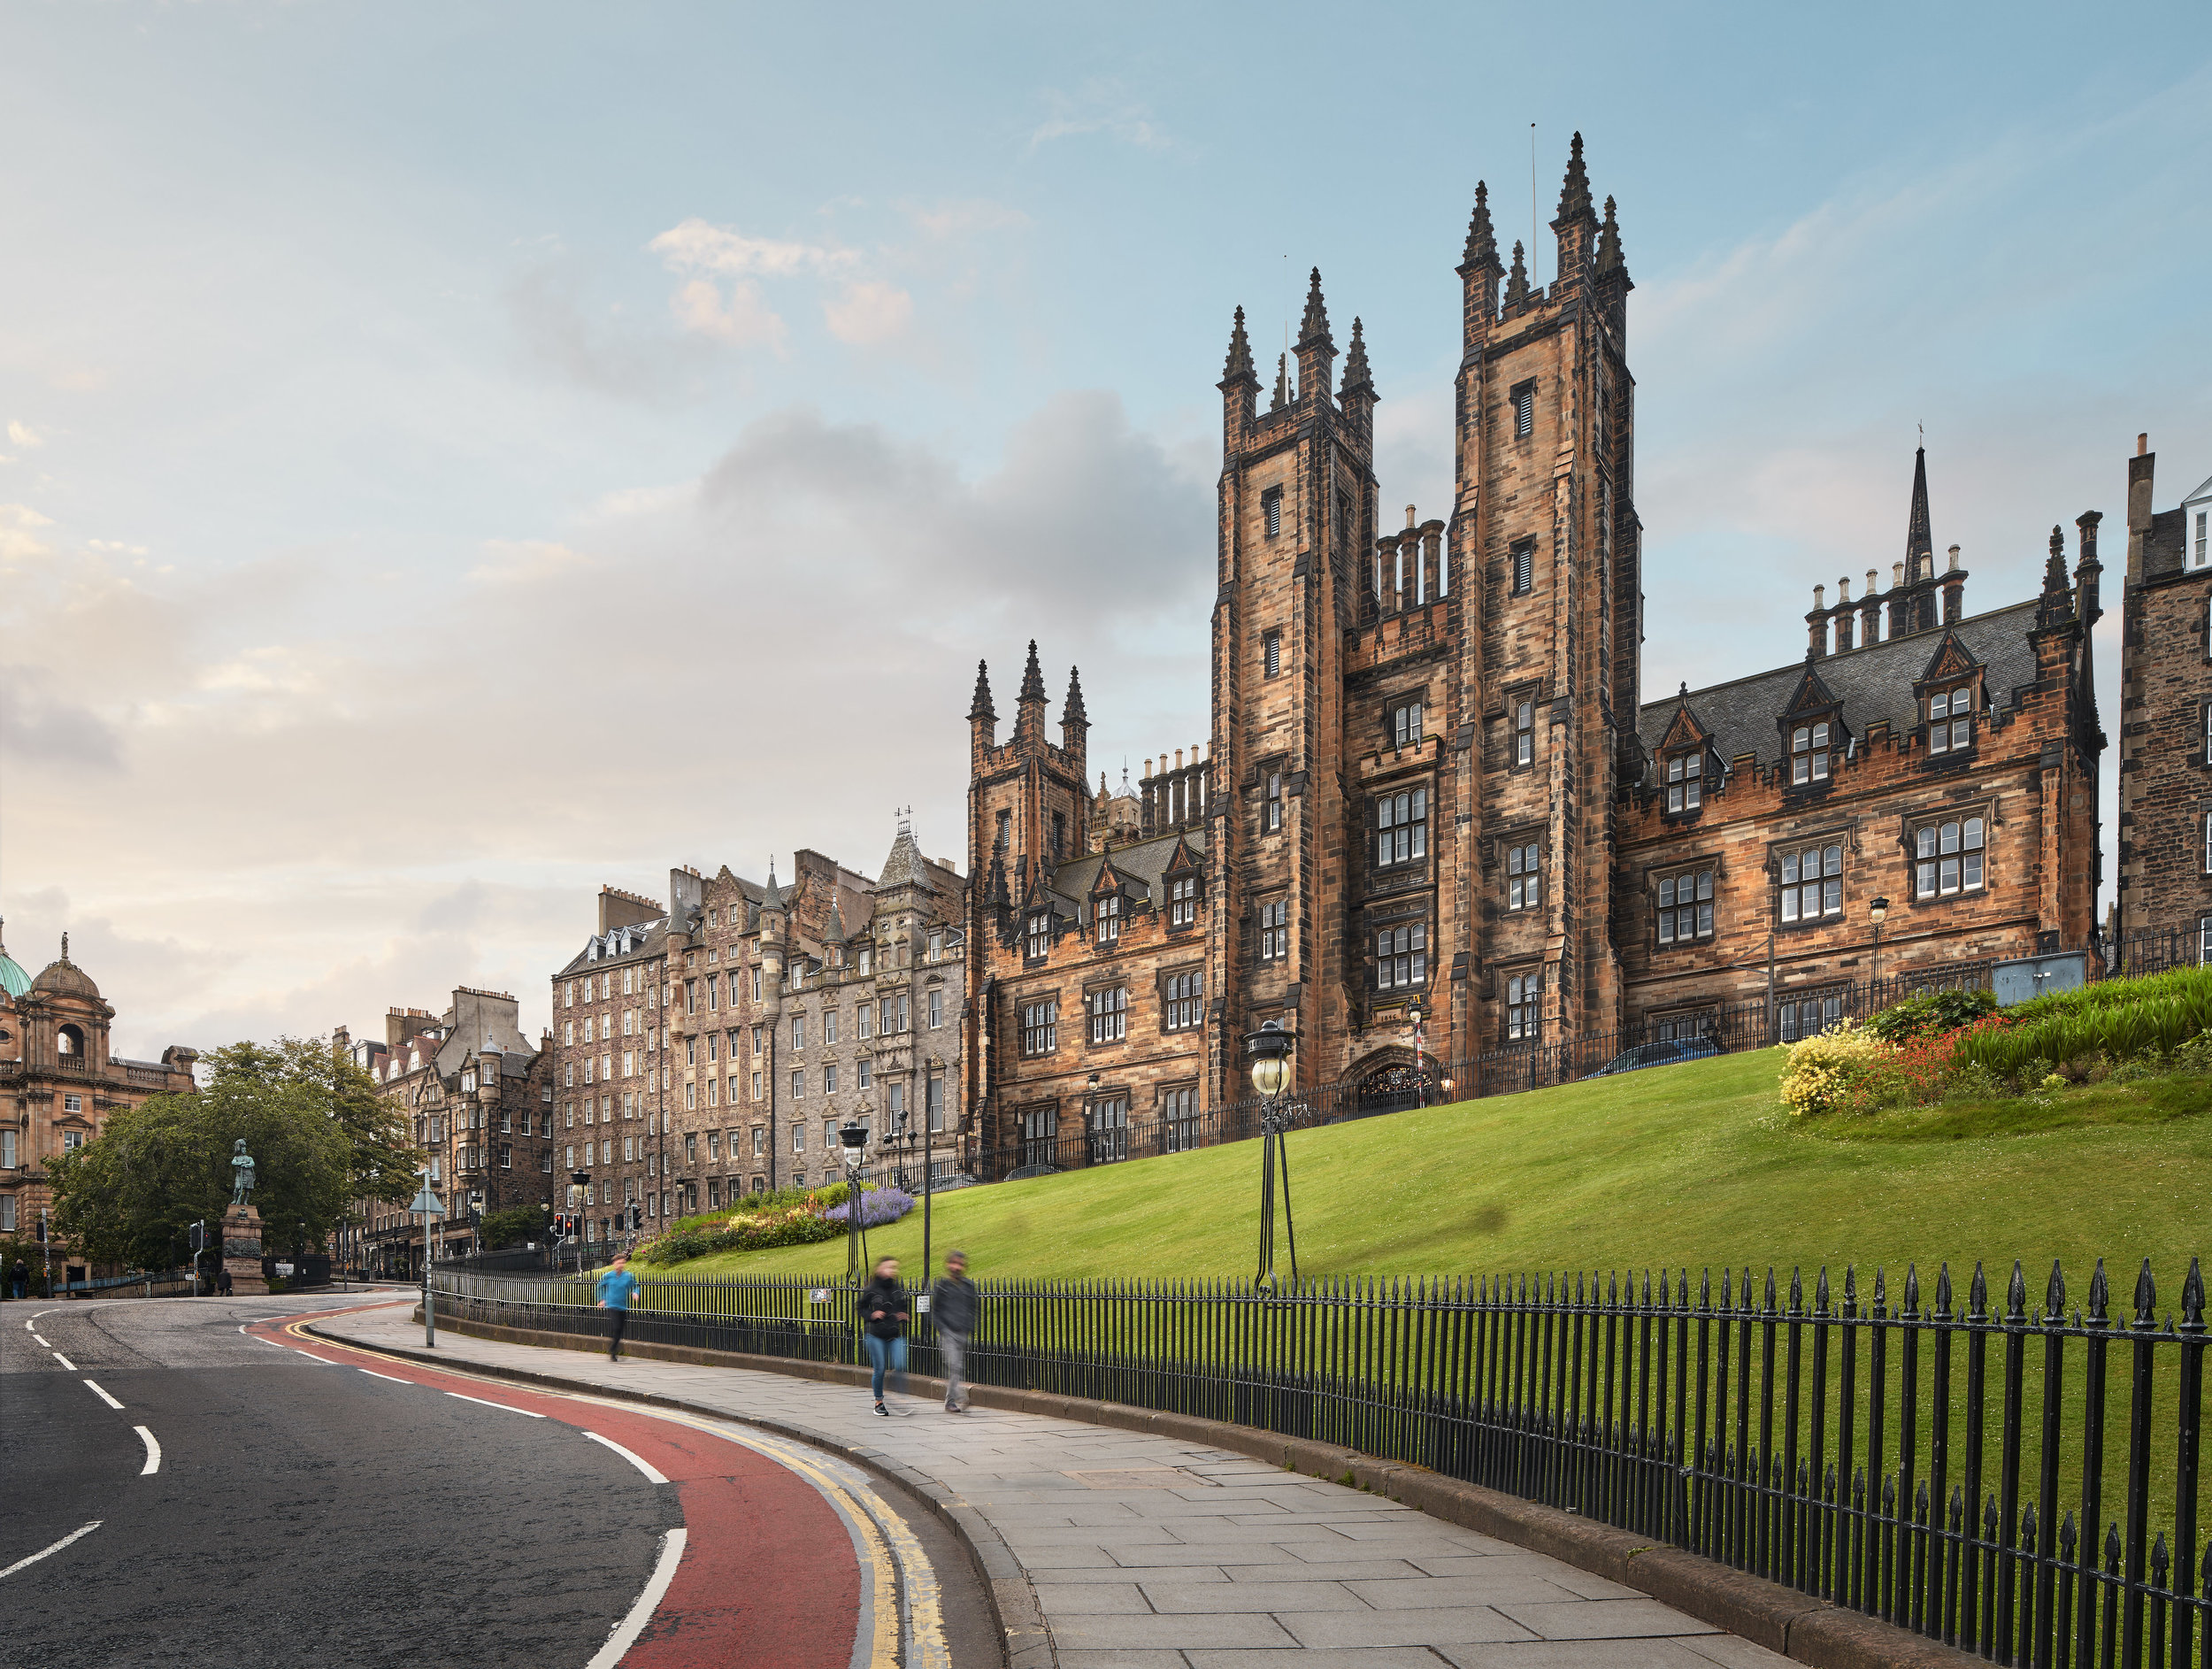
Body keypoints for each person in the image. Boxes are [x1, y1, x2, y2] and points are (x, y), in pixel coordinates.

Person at [859, 1255, 910, 1416]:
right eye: (889, 1267)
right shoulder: (871, 1289)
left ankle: (896, 1394)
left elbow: (902, 1306)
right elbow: (861, 1308)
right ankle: (879, 1402)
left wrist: (904, 1315)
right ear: (879, 1269)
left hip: (894, 1333)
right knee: (880, 1368)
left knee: (901, 1364)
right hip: (875, 1334)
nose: (892, 1271)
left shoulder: (896, 1288)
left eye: (894, 1268)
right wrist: (872, 1314)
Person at [930, 1250, 978, 1414]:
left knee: (956, 1368)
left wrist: (969, 1327)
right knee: (954, 1366)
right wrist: (942, 1329)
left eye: (960, 1264)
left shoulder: (968, 1286)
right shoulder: (942, 1286)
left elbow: (973, 1308)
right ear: (948, 1265)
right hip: (948, 1332)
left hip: (963, 1332)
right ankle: (960, 1397)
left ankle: (949, 1402)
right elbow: (935, 1311)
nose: (957, 1267)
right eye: (954, 1263)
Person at [595, 1252, 641, 1360]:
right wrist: (601, 1299)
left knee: (620, 1329)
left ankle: (614, 1347)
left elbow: (635, 1285)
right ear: (614, 1264)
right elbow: (599, 1287)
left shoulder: (628, 1276)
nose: (621, 1265)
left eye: (623, 1263)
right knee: (617, 1327)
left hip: (623, 1306)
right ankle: (613, 1351)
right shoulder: (608, 1276)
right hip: (612, 1305)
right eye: (619, 1263)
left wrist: (635, 1293)